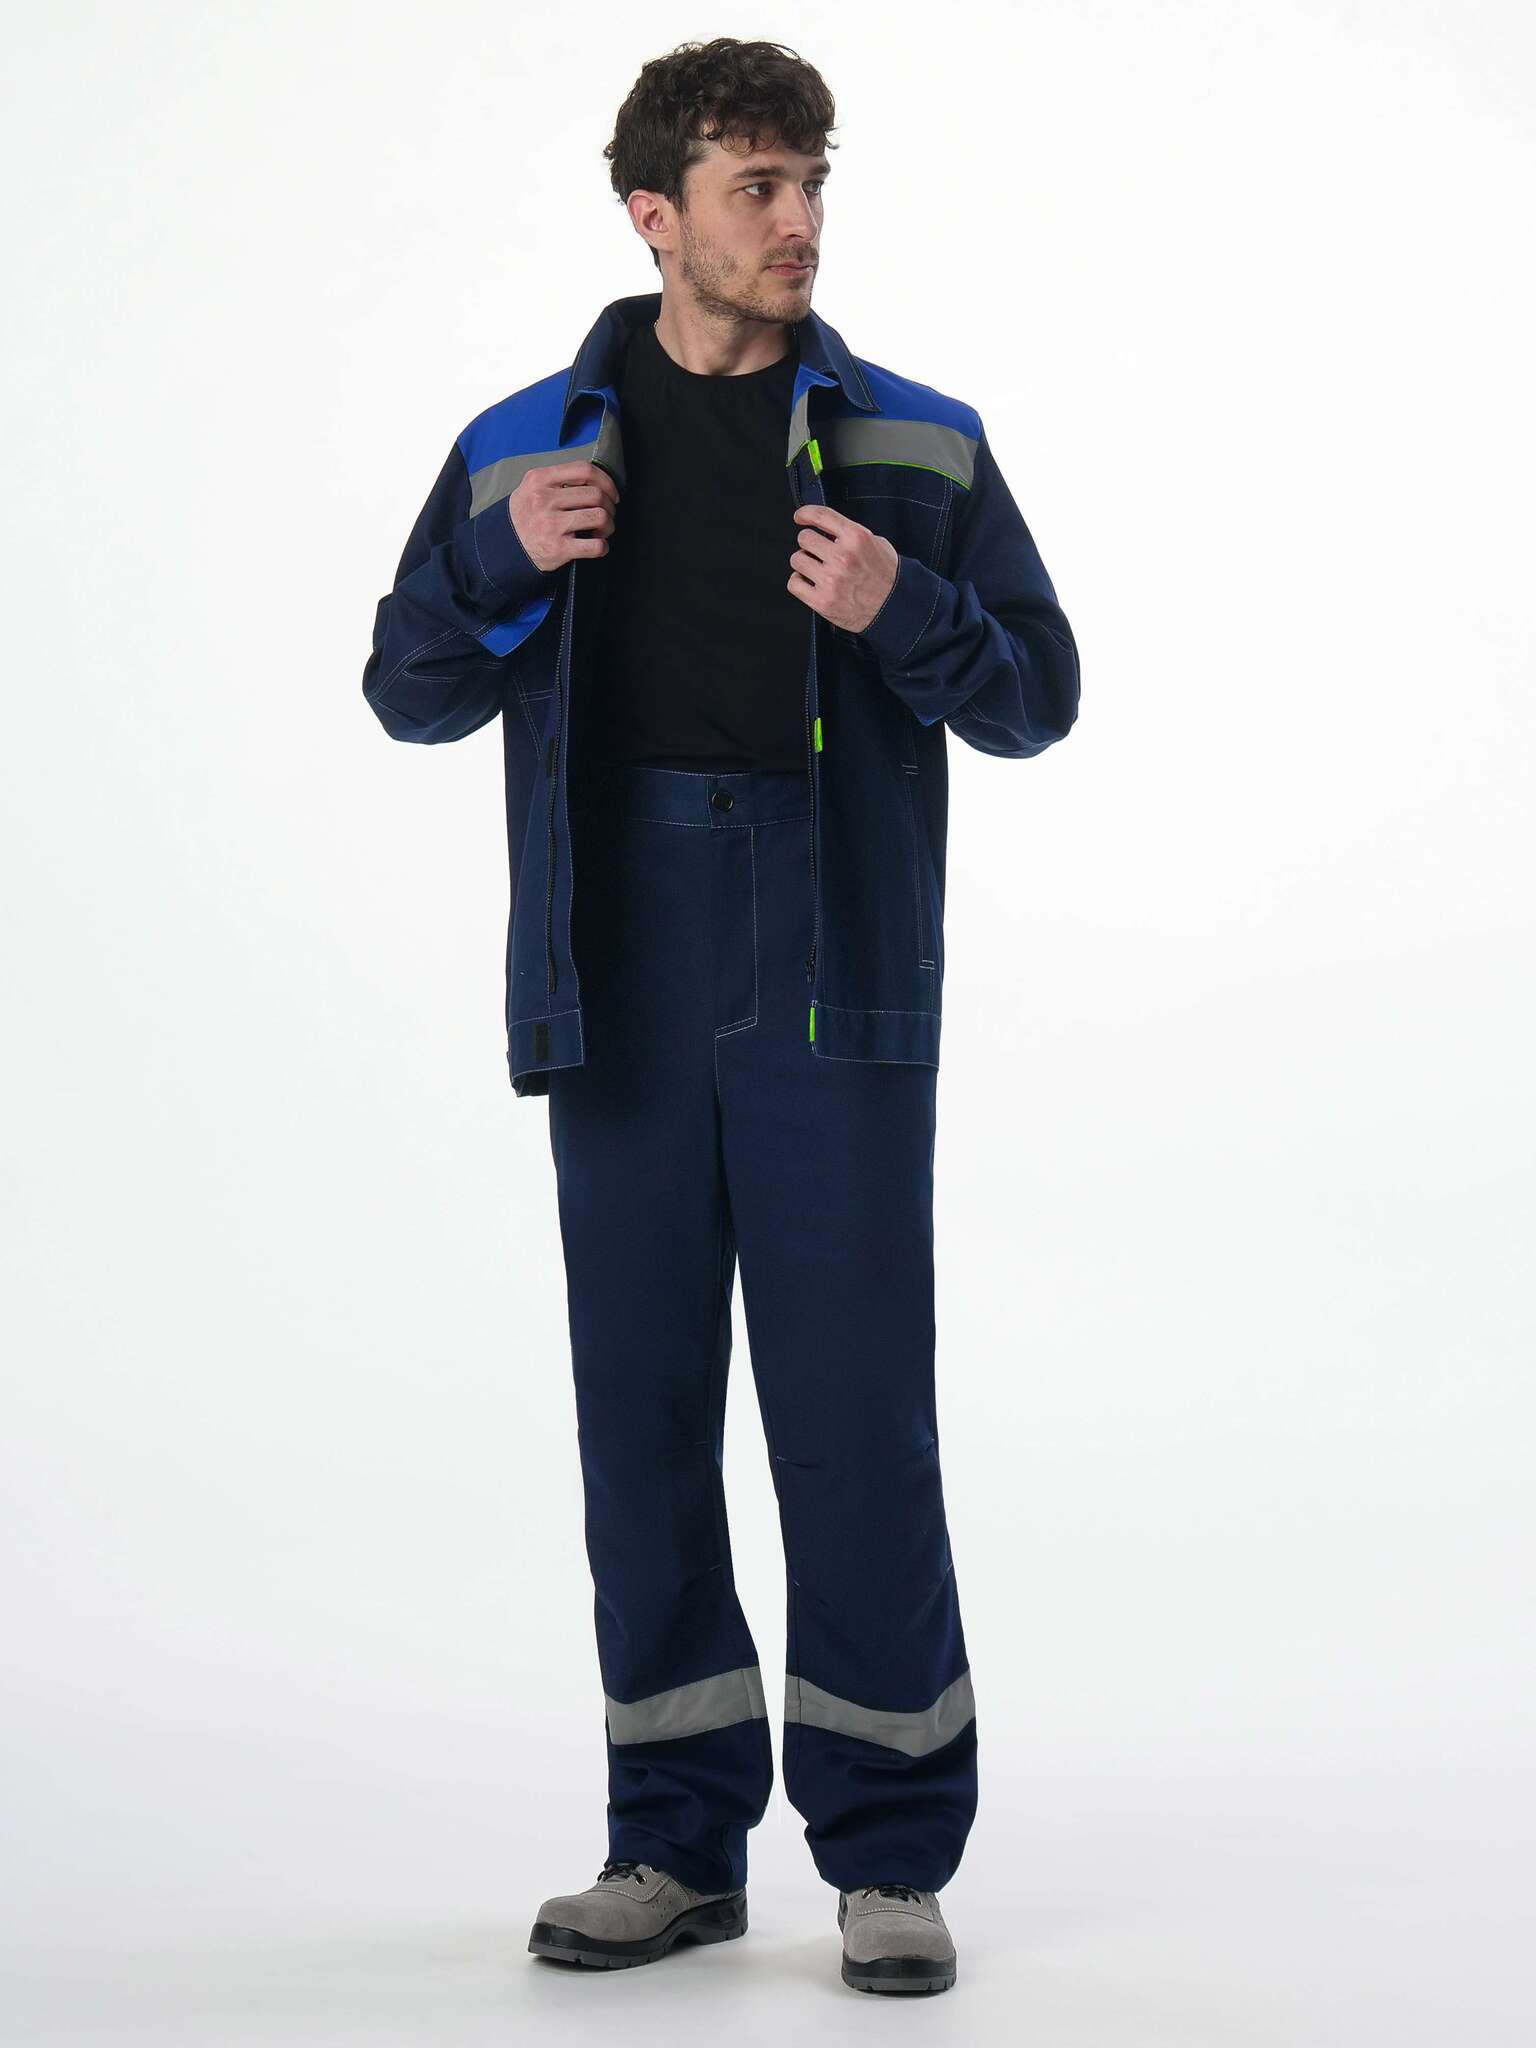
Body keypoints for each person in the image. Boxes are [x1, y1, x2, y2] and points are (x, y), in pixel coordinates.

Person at [362, 37, 1080, 1998]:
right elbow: (407, 688)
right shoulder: (523, 448)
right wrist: (499, 562)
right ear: (652, 214)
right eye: (758, 186)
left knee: (854, 1418)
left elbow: (1037, 696)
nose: (799, 220)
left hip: (832, 957)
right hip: (619, 959)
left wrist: (903, 608)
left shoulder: (918, 444)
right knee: (643, 1413)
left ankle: (889, 1856)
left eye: (812, 180)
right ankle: (672, 1845)